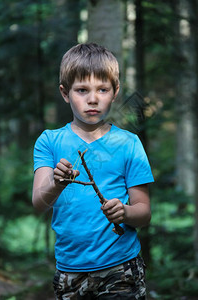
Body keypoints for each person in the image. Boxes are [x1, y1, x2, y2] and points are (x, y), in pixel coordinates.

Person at [32, 43, 154, 300]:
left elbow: (143, 213)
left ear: (115, 92)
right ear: (65, 93)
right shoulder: (49, 141)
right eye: (82, 90)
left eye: (102, 89)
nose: (93, 98)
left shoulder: (128, 143)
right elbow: (39, 202)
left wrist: (125, 211)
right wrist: (57, 183)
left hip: (121, 270)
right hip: (69, 271)